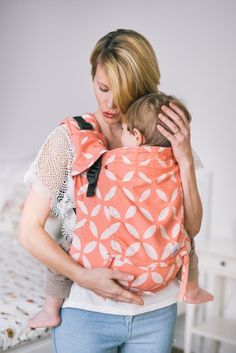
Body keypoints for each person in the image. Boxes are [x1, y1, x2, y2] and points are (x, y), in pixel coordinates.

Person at [20, 29, 204, 353]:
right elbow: (29, 231)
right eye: (102, 88)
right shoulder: (69, 139)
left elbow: (190, 227)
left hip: (155, 313)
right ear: (92, 77)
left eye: (122, 91)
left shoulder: (162, 138)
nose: (110, 102)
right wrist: (84, 277)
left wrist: (185, 160)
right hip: (86, 312)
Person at [28, 92, 213, 330]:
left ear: (136, 136)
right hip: (158, 273)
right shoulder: (173, 166)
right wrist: (184, 160)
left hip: (108, 266)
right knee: (185, 240)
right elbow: (191, 228)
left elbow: (88, 167)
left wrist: (80, 130)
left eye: (125, 129)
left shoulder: (111, 163)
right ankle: (192, 286)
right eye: (103, 88)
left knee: (64, 247)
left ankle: (50, 309)